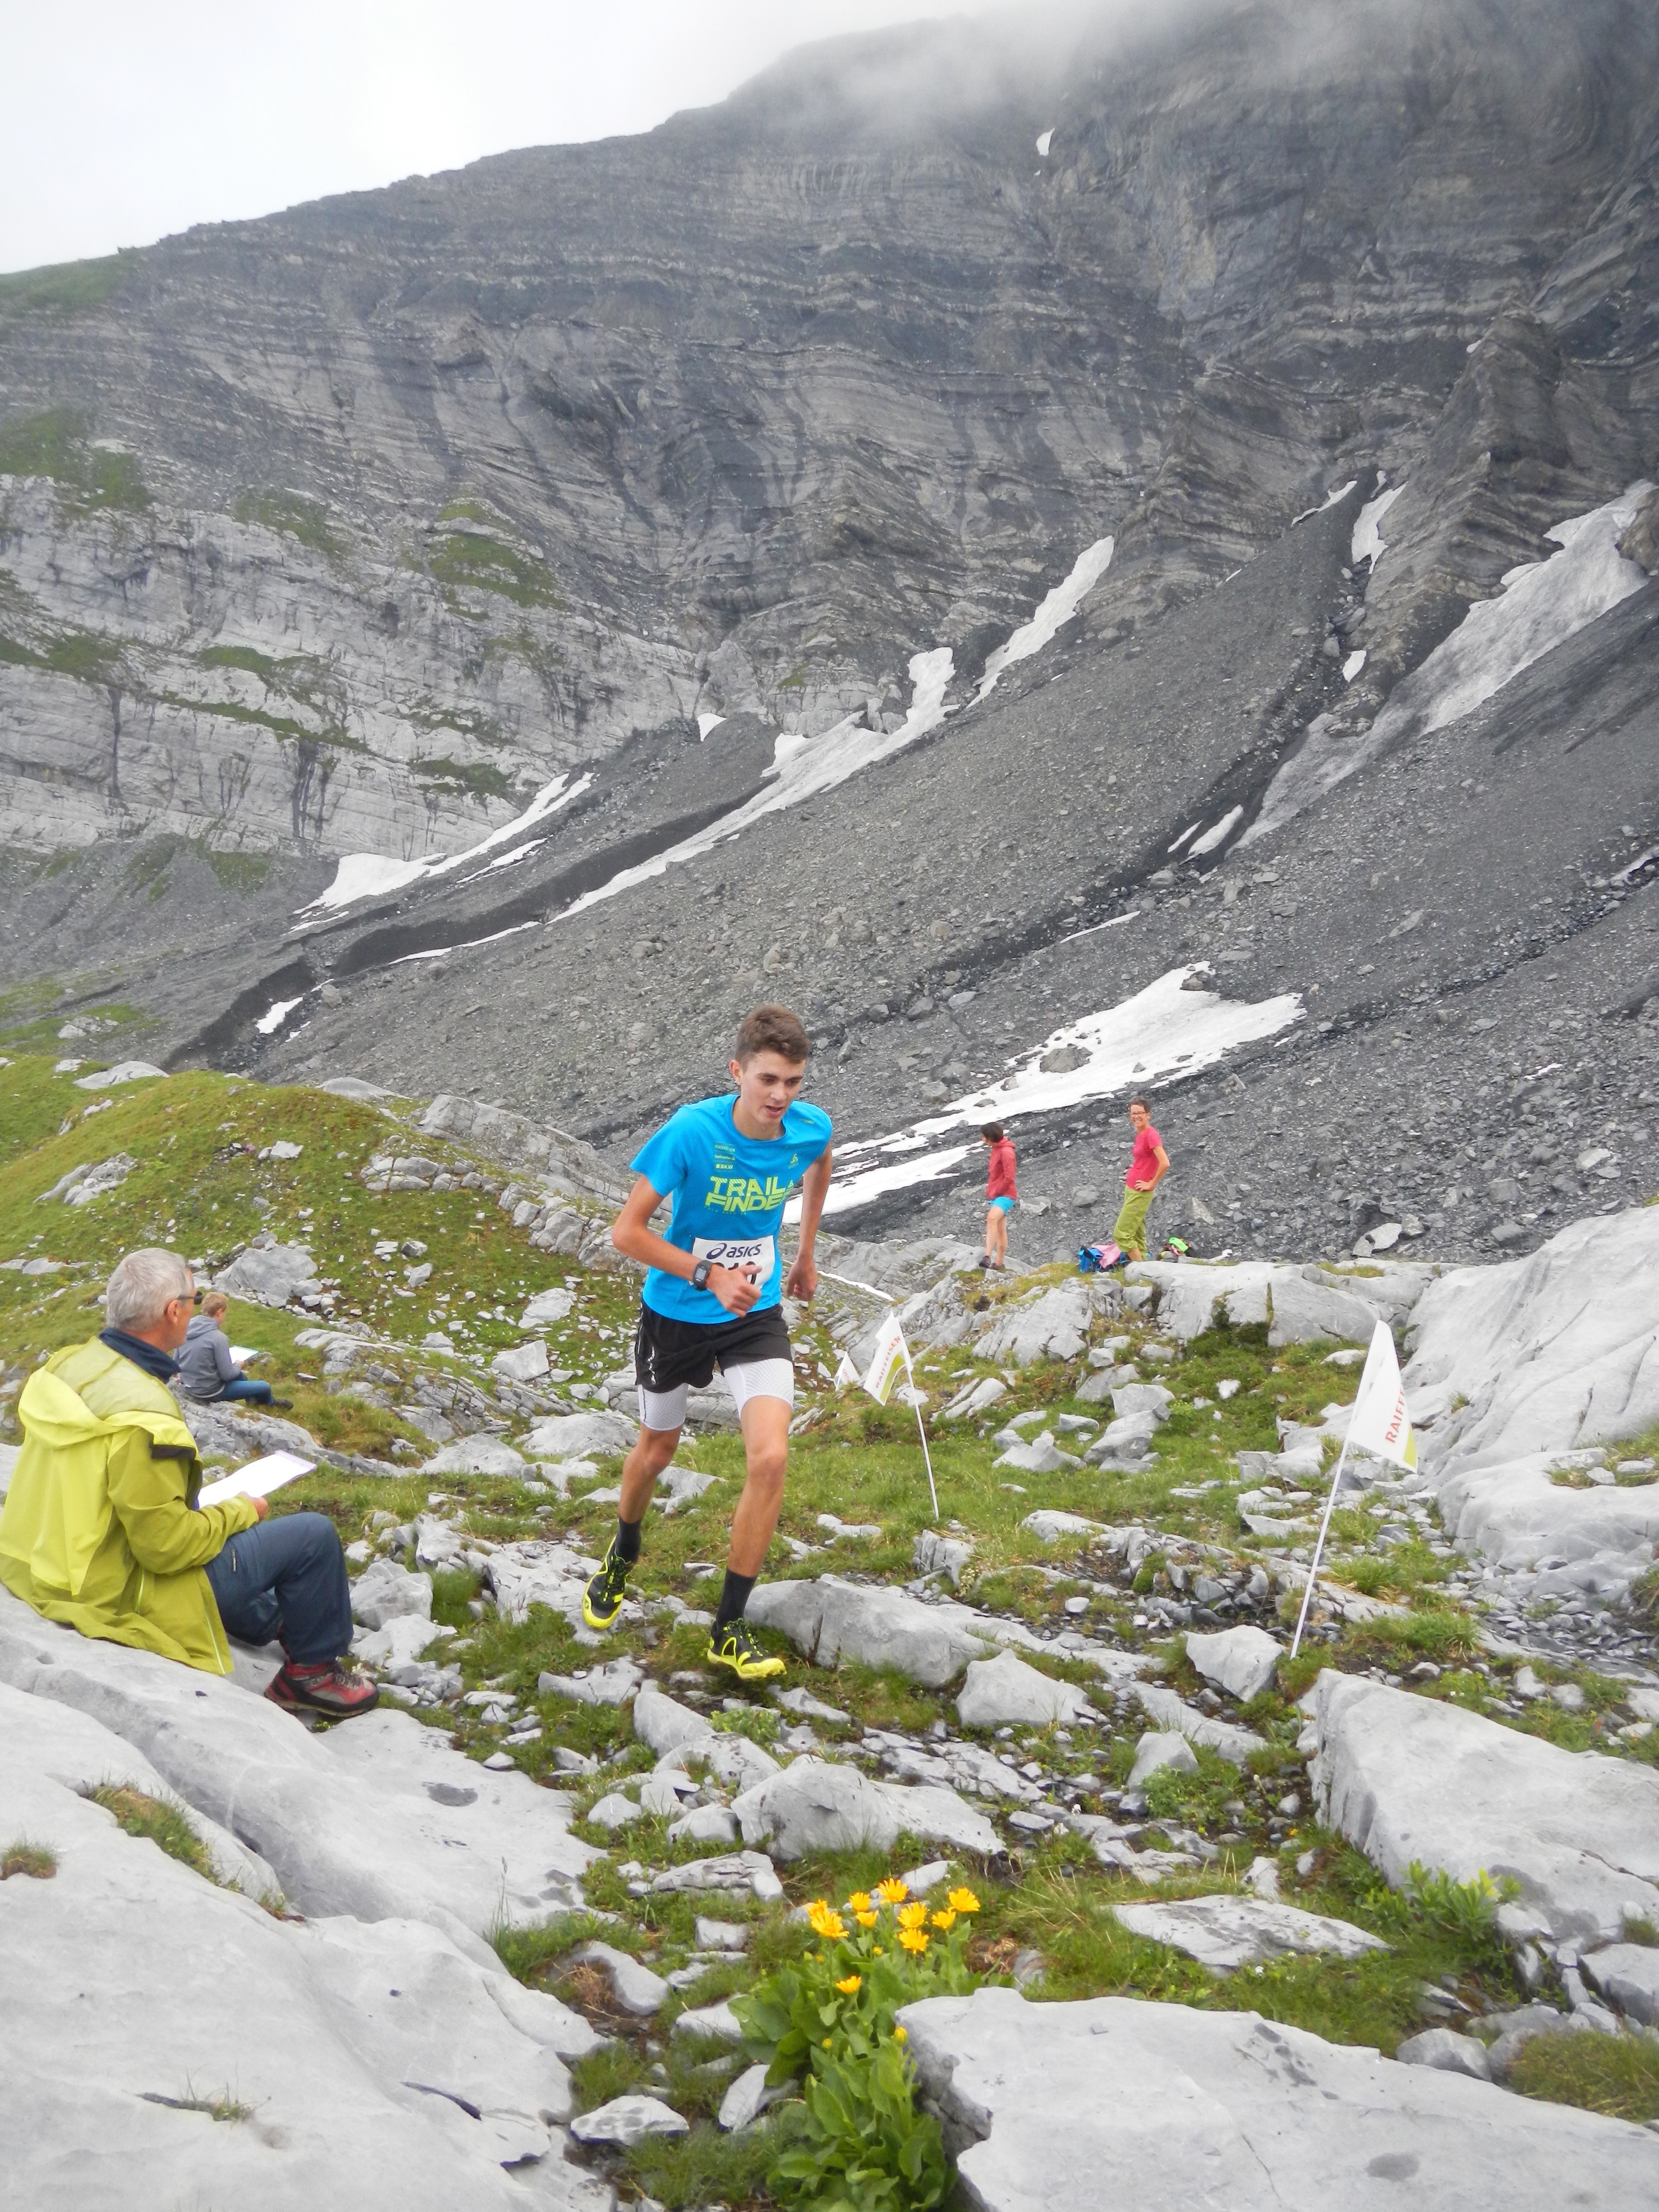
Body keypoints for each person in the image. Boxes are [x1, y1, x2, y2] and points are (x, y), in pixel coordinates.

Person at [0, 1248, 376, 1719]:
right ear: (173, 1312)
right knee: (312, 1535)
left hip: (42, 1561)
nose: (196, 1307)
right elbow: (166, 1548)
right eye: (194, 1299)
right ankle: (311, 1676)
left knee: (219, 1532)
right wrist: (242, 1510)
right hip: (112, 1587)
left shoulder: (68, 1364)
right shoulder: (146, 1417)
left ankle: (280, 1621)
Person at [585, 1005, 834, 1682]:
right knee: (657, 1451)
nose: (781, 1096)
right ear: (737, 1072)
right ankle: (623, 1550)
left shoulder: (808, 1128)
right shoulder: (692, 1131)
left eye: (793, 1082)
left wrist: (804, 1252)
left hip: (755, 1313)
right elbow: (627, 1232)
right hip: (677, 1314)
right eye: (768, 1080)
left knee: (771, 1457)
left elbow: (820, 1159)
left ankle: (728, 1627)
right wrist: (709, 1274)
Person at [177, 1290, 285, 1406]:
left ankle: (253, 1401)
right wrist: (239, 1365)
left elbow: (176, 1360)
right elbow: (227, 1375)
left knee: (240, 1376)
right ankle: (271, 1404)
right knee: (264, 1386)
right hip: (210, 1391)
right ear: (219, 1312)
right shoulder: (218, 1338)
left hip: (189, 1385)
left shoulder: (186, 1328)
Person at [1111, 1095, 1170, 1262]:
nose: (1136, 1116)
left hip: (1140, 1192)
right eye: (1133, 1113)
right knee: (1137, 1231)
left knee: (1122, 1234)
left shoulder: (1151, 1135)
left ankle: (1140, 1269)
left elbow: (1165, 1163)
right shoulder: (1141, 1134)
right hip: (1132, 1188)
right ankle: (1144, 1262)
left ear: (1148, 1115)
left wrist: (1151, 1184)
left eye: (1140, 1113)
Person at [979, 1121, 1017, 1270]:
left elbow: (1009, 1178)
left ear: (990, 1137)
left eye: (984, 1137)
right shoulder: (996, 1149)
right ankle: (999, 1264)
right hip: (997, 1194)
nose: (983, 1140)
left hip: (1006, 1194)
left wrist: (996, 1191)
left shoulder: (1006, 1152)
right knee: (1000, 1230)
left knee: (992, 1219)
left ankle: (987, 1257)